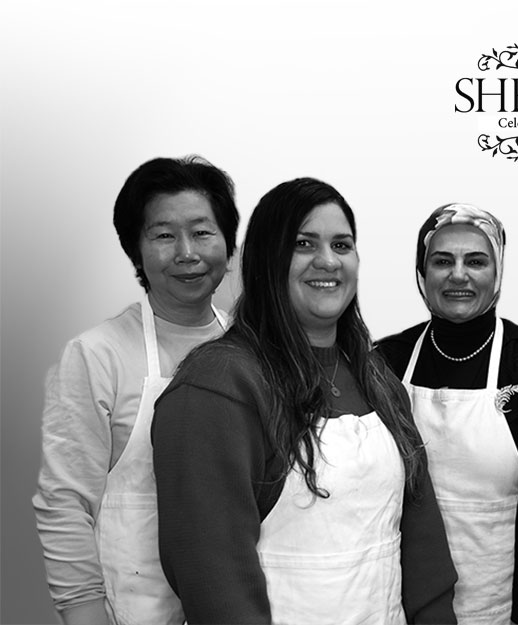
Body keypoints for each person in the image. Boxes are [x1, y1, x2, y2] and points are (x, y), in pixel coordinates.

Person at [152, 178, 456, 624]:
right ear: (266, 261)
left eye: (342, 244)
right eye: (303, 243)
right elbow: (214, 578)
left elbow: (422, 541)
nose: (328, 260)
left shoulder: (376, 377)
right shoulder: (219, 386)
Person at [32, 156, 238, 625]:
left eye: (203, 232)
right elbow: (64, 502)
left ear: (228, 244)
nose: (187, 252)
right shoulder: (97, 355)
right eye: (164, 235)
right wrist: (84, 615)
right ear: (136, 250)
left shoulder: (251, 348)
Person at [376, 204, 518, 624]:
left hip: (497, 607)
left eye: (476, 261)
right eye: (442, 261)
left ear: (497, 273)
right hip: (402, 603)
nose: (458, 275)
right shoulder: (386, 359)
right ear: (422, 275)